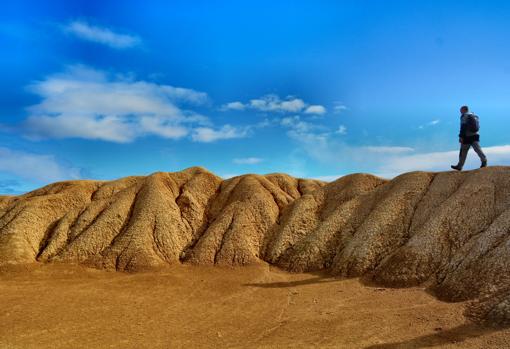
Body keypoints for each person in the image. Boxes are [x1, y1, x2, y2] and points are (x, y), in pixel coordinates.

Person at [451, 105, 487, 171]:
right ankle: (484, 161)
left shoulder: (464, 116)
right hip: (475, 135)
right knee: (478, 149)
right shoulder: (475, 116)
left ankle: (459, 166)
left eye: (461, 110)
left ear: (464, 110)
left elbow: (463, 126)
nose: (460, 111)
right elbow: (478, 126)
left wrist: (461, 136)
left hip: (466, 136)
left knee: (463, 151)